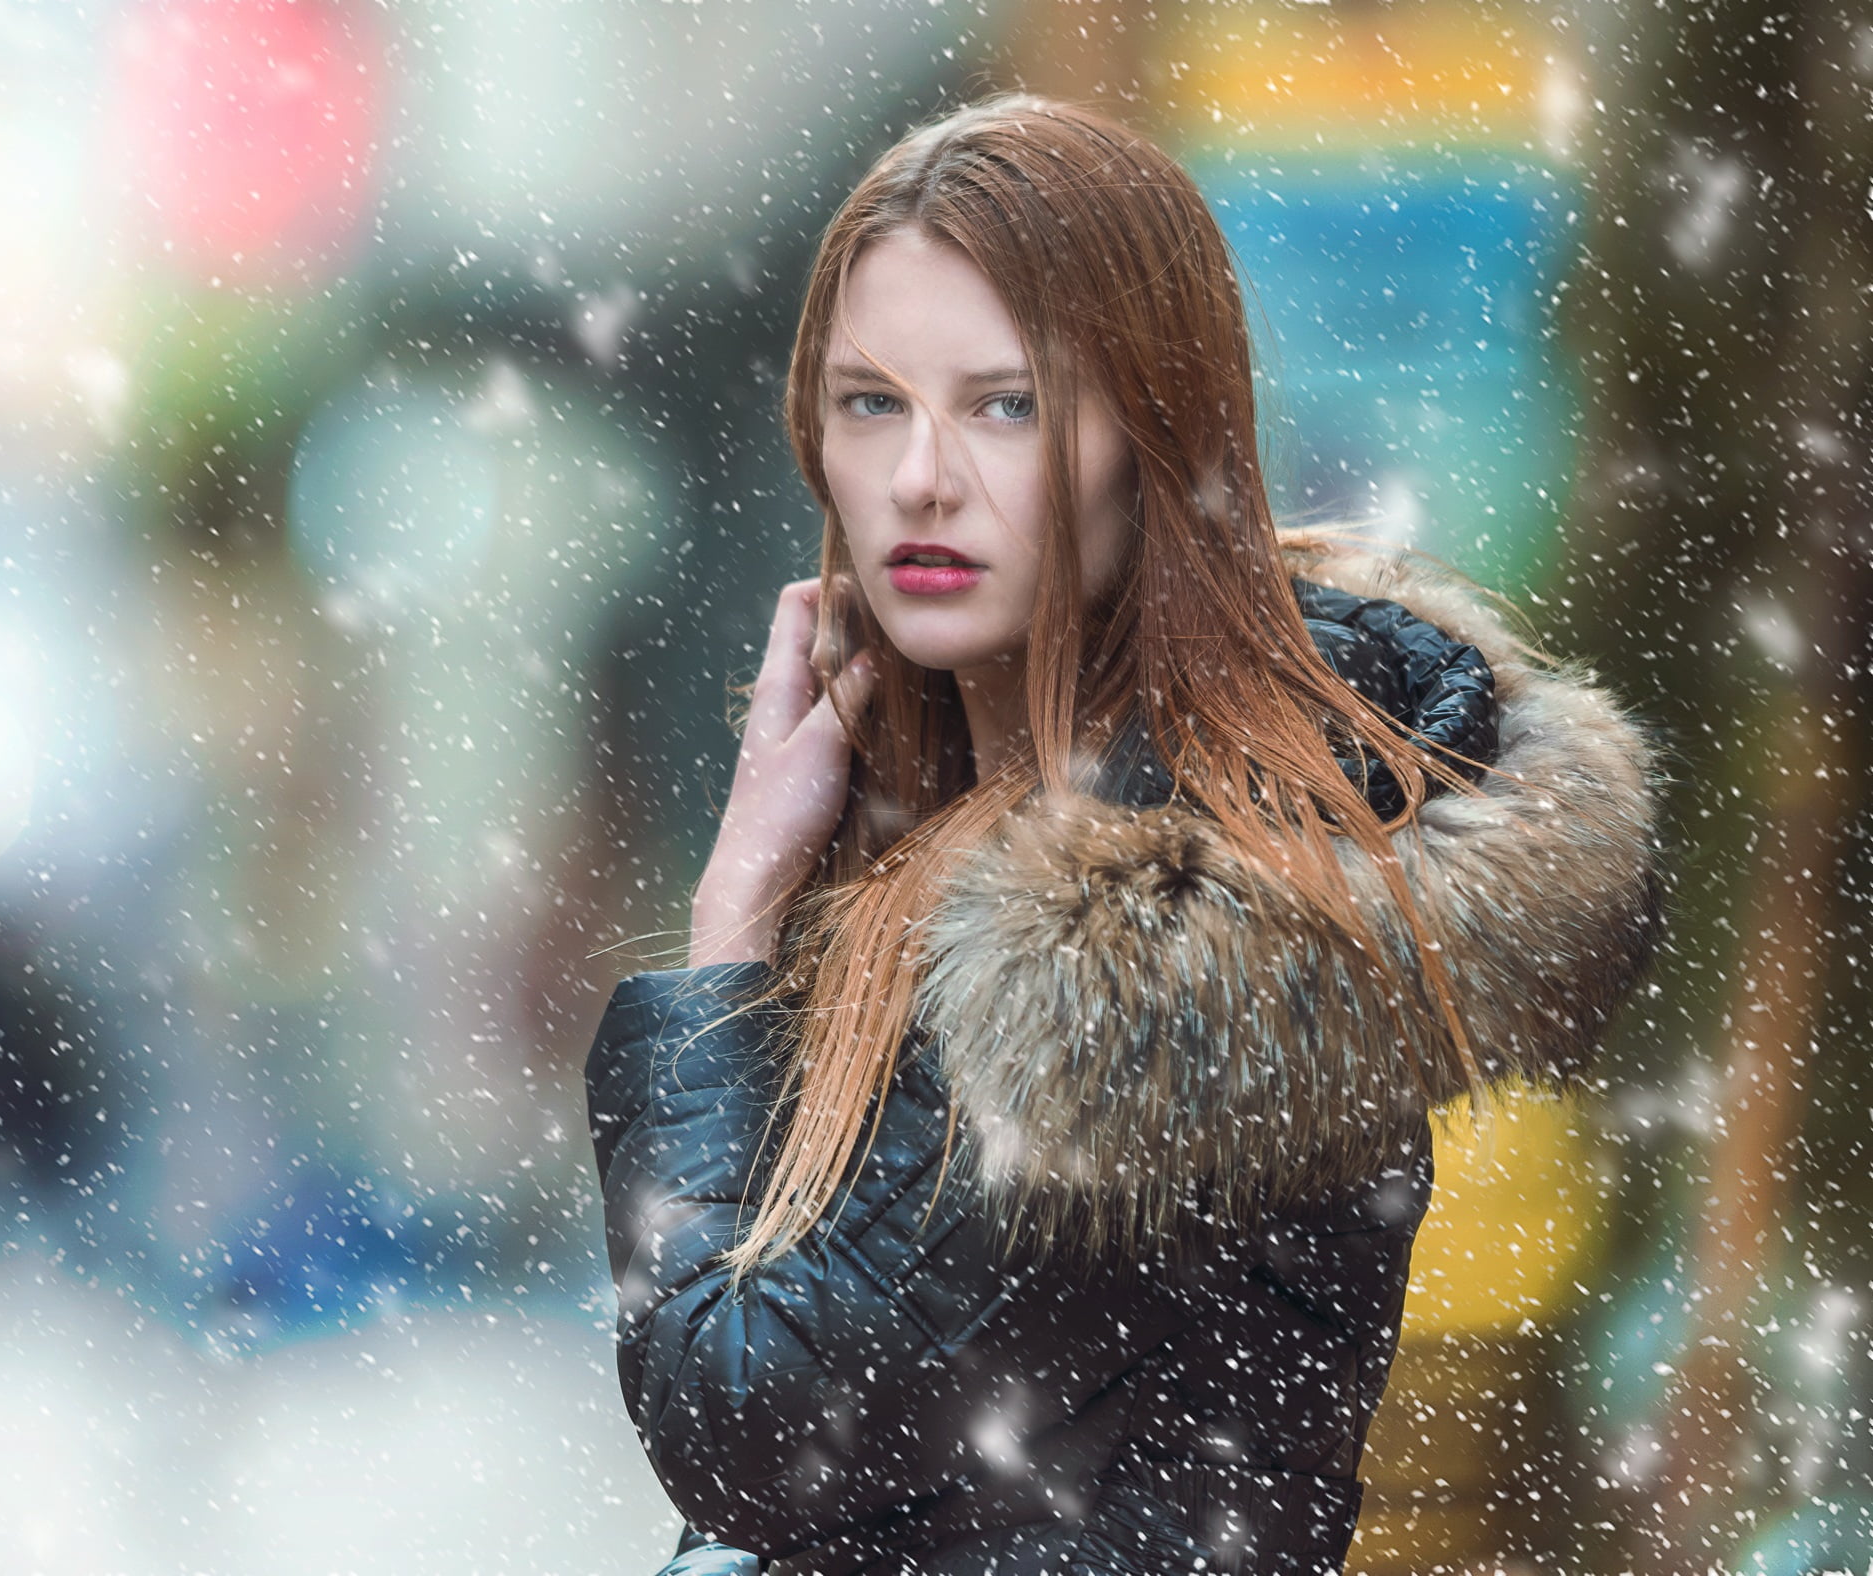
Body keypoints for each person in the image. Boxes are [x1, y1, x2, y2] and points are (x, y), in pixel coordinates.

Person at [582, 93, 1664, 1576]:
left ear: (1151, 435)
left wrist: (726, 926)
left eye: (1005, 404)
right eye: (871, 401)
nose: (920, 477)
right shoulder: (952, 847)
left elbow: (751, 1430)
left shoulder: (1161, 922)